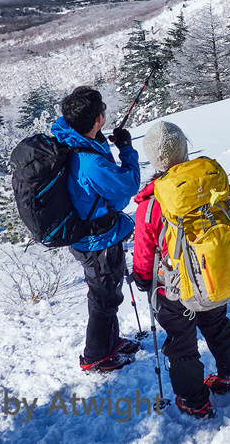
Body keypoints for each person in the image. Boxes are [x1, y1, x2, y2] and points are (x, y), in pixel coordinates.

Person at [130, 120, 230, 419]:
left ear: (154, 159)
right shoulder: (206, 183)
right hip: (209, 274)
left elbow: (145, 252)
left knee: (181, 343)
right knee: (217, 324)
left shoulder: (152, 202)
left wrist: (144, 280)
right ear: (184, 149)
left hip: (173, 287)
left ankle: (194, 400)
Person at [51, 86, 142, 372]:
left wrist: (104, 140)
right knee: (105, 298)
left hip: (89, 236)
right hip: (97, 240)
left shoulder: (72, 137)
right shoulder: (90, 163)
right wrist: (126, 150)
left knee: (103, 293)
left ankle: (109, 343)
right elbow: (126, 188)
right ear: (98, 118)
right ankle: (95, 356)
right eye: (102, 109)